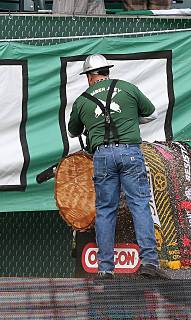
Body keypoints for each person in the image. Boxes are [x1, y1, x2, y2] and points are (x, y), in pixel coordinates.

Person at [67, 54, 166, 279]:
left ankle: (105, 268)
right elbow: (152, 114)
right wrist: (130, 119)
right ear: (107, 72)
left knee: (105, 211)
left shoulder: (83, 100)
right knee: (139, 204)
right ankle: (149, 261)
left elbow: (73, 131)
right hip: (130, 152)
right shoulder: (128, 89)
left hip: (101, 156)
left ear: (91, 77)